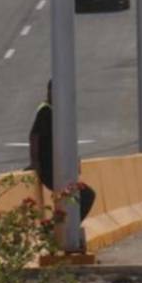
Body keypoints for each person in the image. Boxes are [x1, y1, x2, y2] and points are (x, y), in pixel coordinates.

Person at [29, 80, 95, 221]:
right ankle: (62, 228)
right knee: (86, 195)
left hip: (61, 168)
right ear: (49, 92)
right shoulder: (45, 111)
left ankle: (63, 228)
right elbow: (34, 136)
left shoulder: (58, 113)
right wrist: (35, 162)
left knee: (81, 197)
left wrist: (75, 160)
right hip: (50, 169)